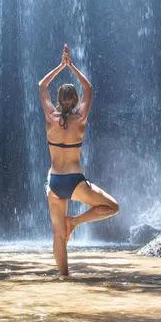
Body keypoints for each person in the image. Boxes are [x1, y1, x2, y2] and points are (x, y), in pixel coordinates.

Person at [38, 43, 119, 276]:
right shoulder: (81, 118)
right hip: (75, 182)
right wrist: (71, 66)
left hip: (54, 182)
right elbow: (89, 87)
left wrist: (60, 66)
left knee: (57, 234)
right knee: (112, 207)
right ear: (75, 101)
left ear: (59, 100)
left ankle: (64, 277)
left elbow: (41, 85)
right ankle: (75, 221)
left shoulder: (50, 118)